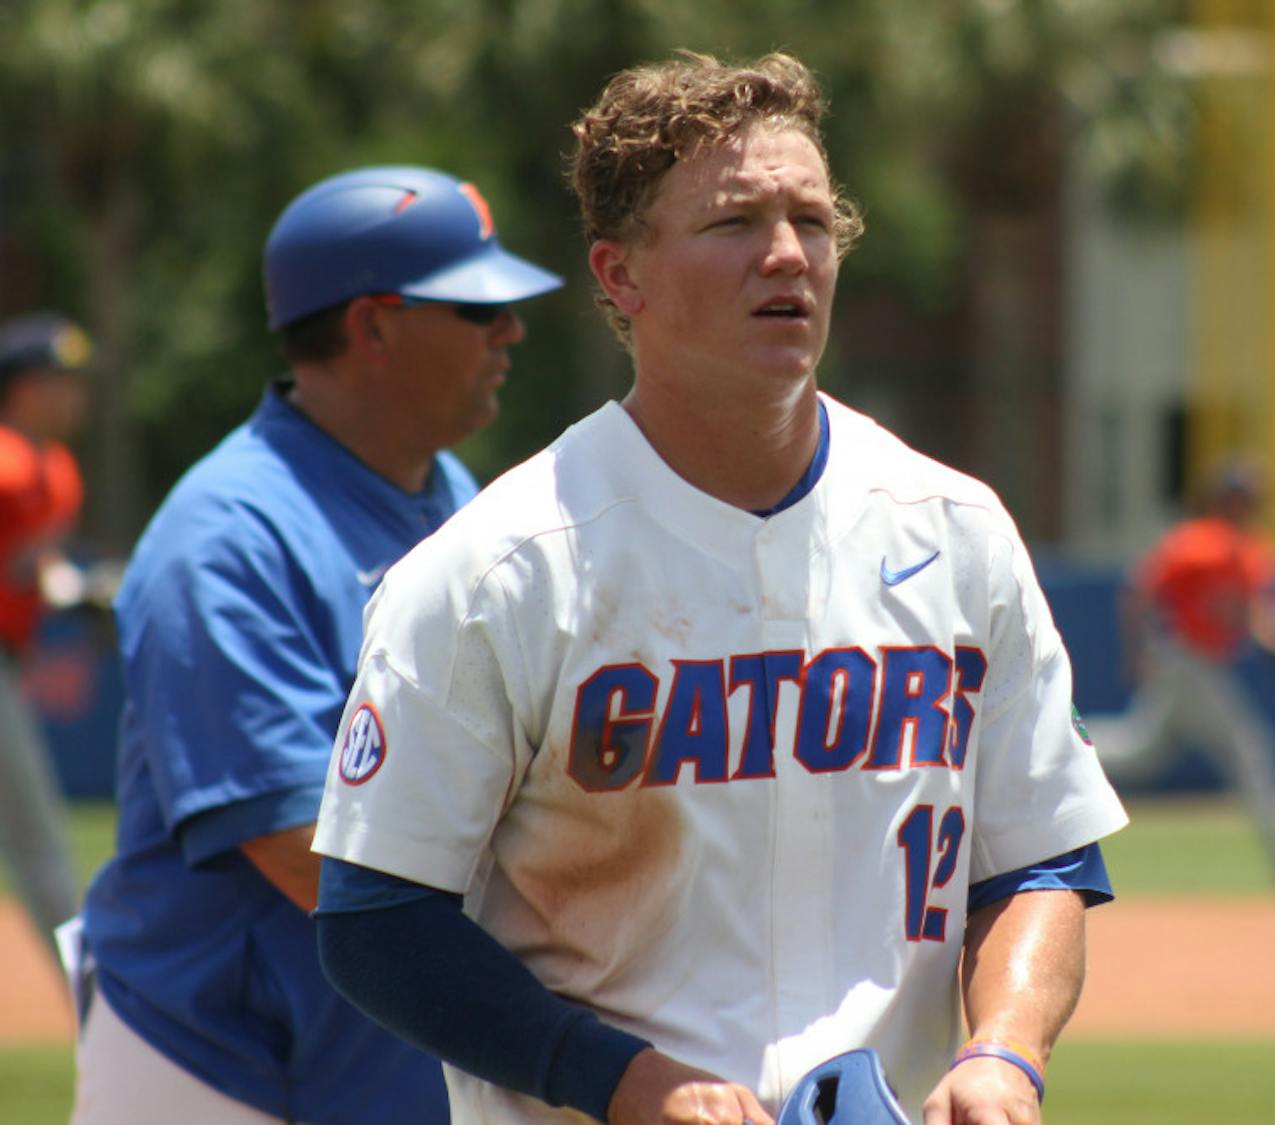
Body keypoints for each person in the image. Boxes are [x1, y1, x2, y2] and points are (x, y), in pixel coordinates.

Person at [312, 52, 1128, 1125]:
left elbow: (1038, 861)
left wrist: (1005, 1051)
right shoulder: (499, 570)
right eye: (734, 223)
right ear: (621, 277)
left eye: (813, 221)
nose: (787, 254)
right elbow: (375, 920)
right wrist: (618, 1079)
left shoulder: (955, 530)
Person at [72, 164, 563, 1124]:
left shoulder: (454, 498)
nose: (510, 330)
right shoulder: (226, 538)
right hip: (213, 1066)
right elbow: (299, 845)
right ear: (372, 326)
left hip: (382, 1051)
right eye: (476, 308)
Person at [1085, 458, 1275, 885]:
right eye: (1241, 497)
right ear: (1223, 500)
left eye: (1252, 498)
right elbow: (1139, 590)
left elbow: (1262, 619)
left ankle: (1066, 743)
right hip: (1185, 660)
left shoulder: (1255, 552)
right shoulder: (1196, 543)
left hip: (1203, 665)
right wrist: (1138, 651)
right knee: (1252, 750)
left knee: (1141, 752)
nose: (1248, 505)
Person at [0, 312, 104, 966]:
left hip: (10, 659)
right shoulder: (8, 463)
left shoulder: (57, 470)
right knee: (37, 837)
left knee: (35, 835)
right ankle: (95, 995)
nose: (76, 394)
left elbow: (32, 568)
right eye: (62, 380)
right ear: (26, 388)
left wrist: (76, 589)